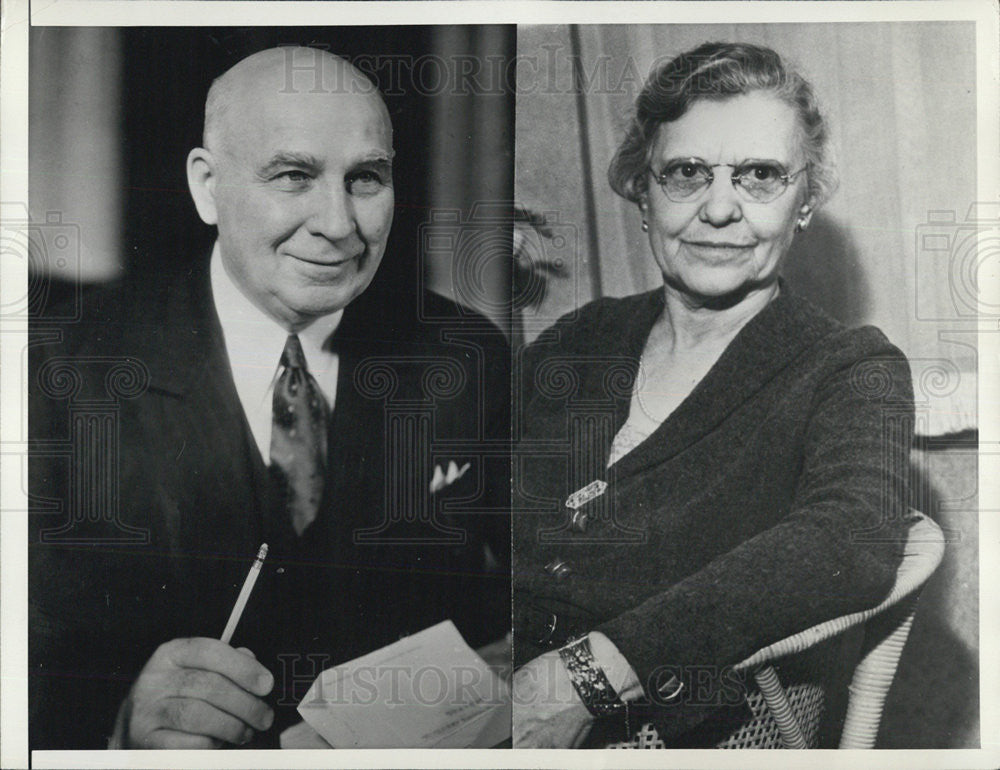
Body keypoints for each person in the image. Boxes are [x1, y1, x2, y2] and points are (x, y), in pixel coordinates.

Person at [29, 47, 510, 750]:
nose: (339, 224)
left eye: (367, 179)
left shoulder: (464, 356)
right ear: (206, 186)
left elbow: (557, 597)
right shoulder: (59, 367)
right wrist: (121, 720)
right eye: (294, 175)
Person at [512, 42, 915, 748]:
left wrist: (589, 675)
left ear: (806, 200)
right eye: (687, 173)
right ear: (643, 191)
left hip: (669, 727)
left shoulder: (852, 369)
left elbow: (851, 539)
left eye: (761, 175)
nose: (720, 209)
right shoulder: (582, 338)